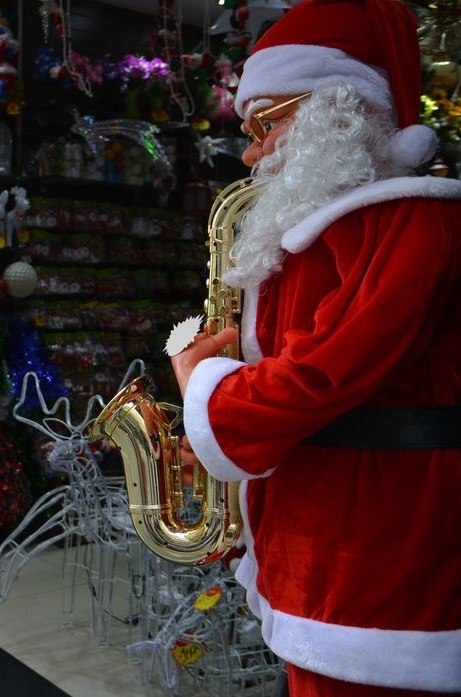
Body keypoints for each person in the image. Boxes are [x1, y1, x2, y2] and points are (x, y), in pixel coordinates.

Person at [169, 0, 461, 694]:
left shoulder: (408, 224)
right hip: (330, 540)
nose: (250, 152)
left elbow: (317, 377)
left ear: (338, 106)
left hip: (375, 558)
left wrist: (202, 379)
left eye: (265, 123)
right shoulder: (350, 226)